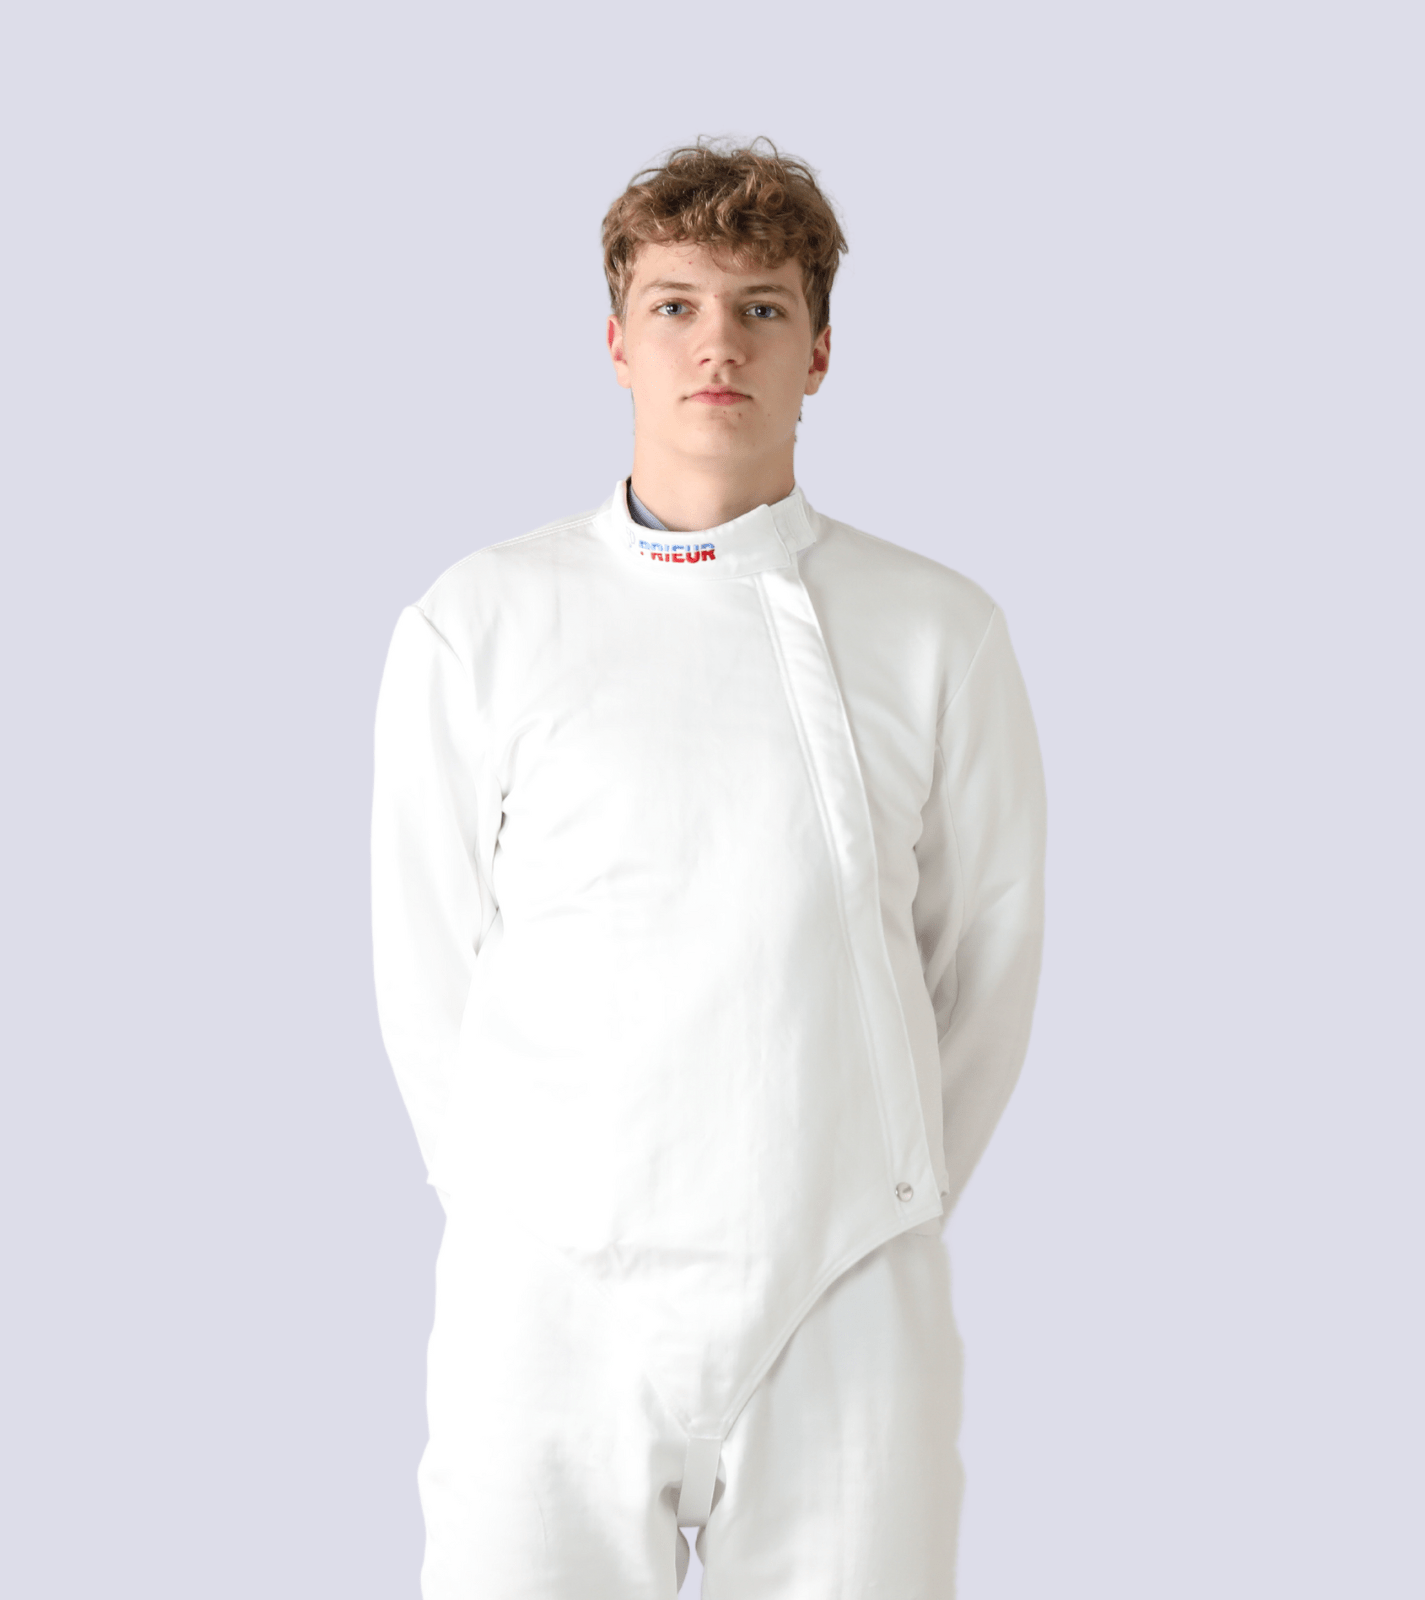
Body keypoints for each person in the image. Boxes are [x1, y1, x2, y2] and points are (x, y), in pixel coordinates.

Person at [371, 138, 1047, 1599]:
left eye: (762, 307)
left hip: (844, 1290)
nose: (717, 344)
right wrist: (522, 1215)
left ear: (821, 353)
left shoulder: (938, 631)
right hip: (548, 1303)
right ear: (617, 341)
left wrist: (882, 1191)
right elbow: (429, 967)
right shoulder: (478, 624)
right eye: (675, 305)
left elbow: (983, 965)